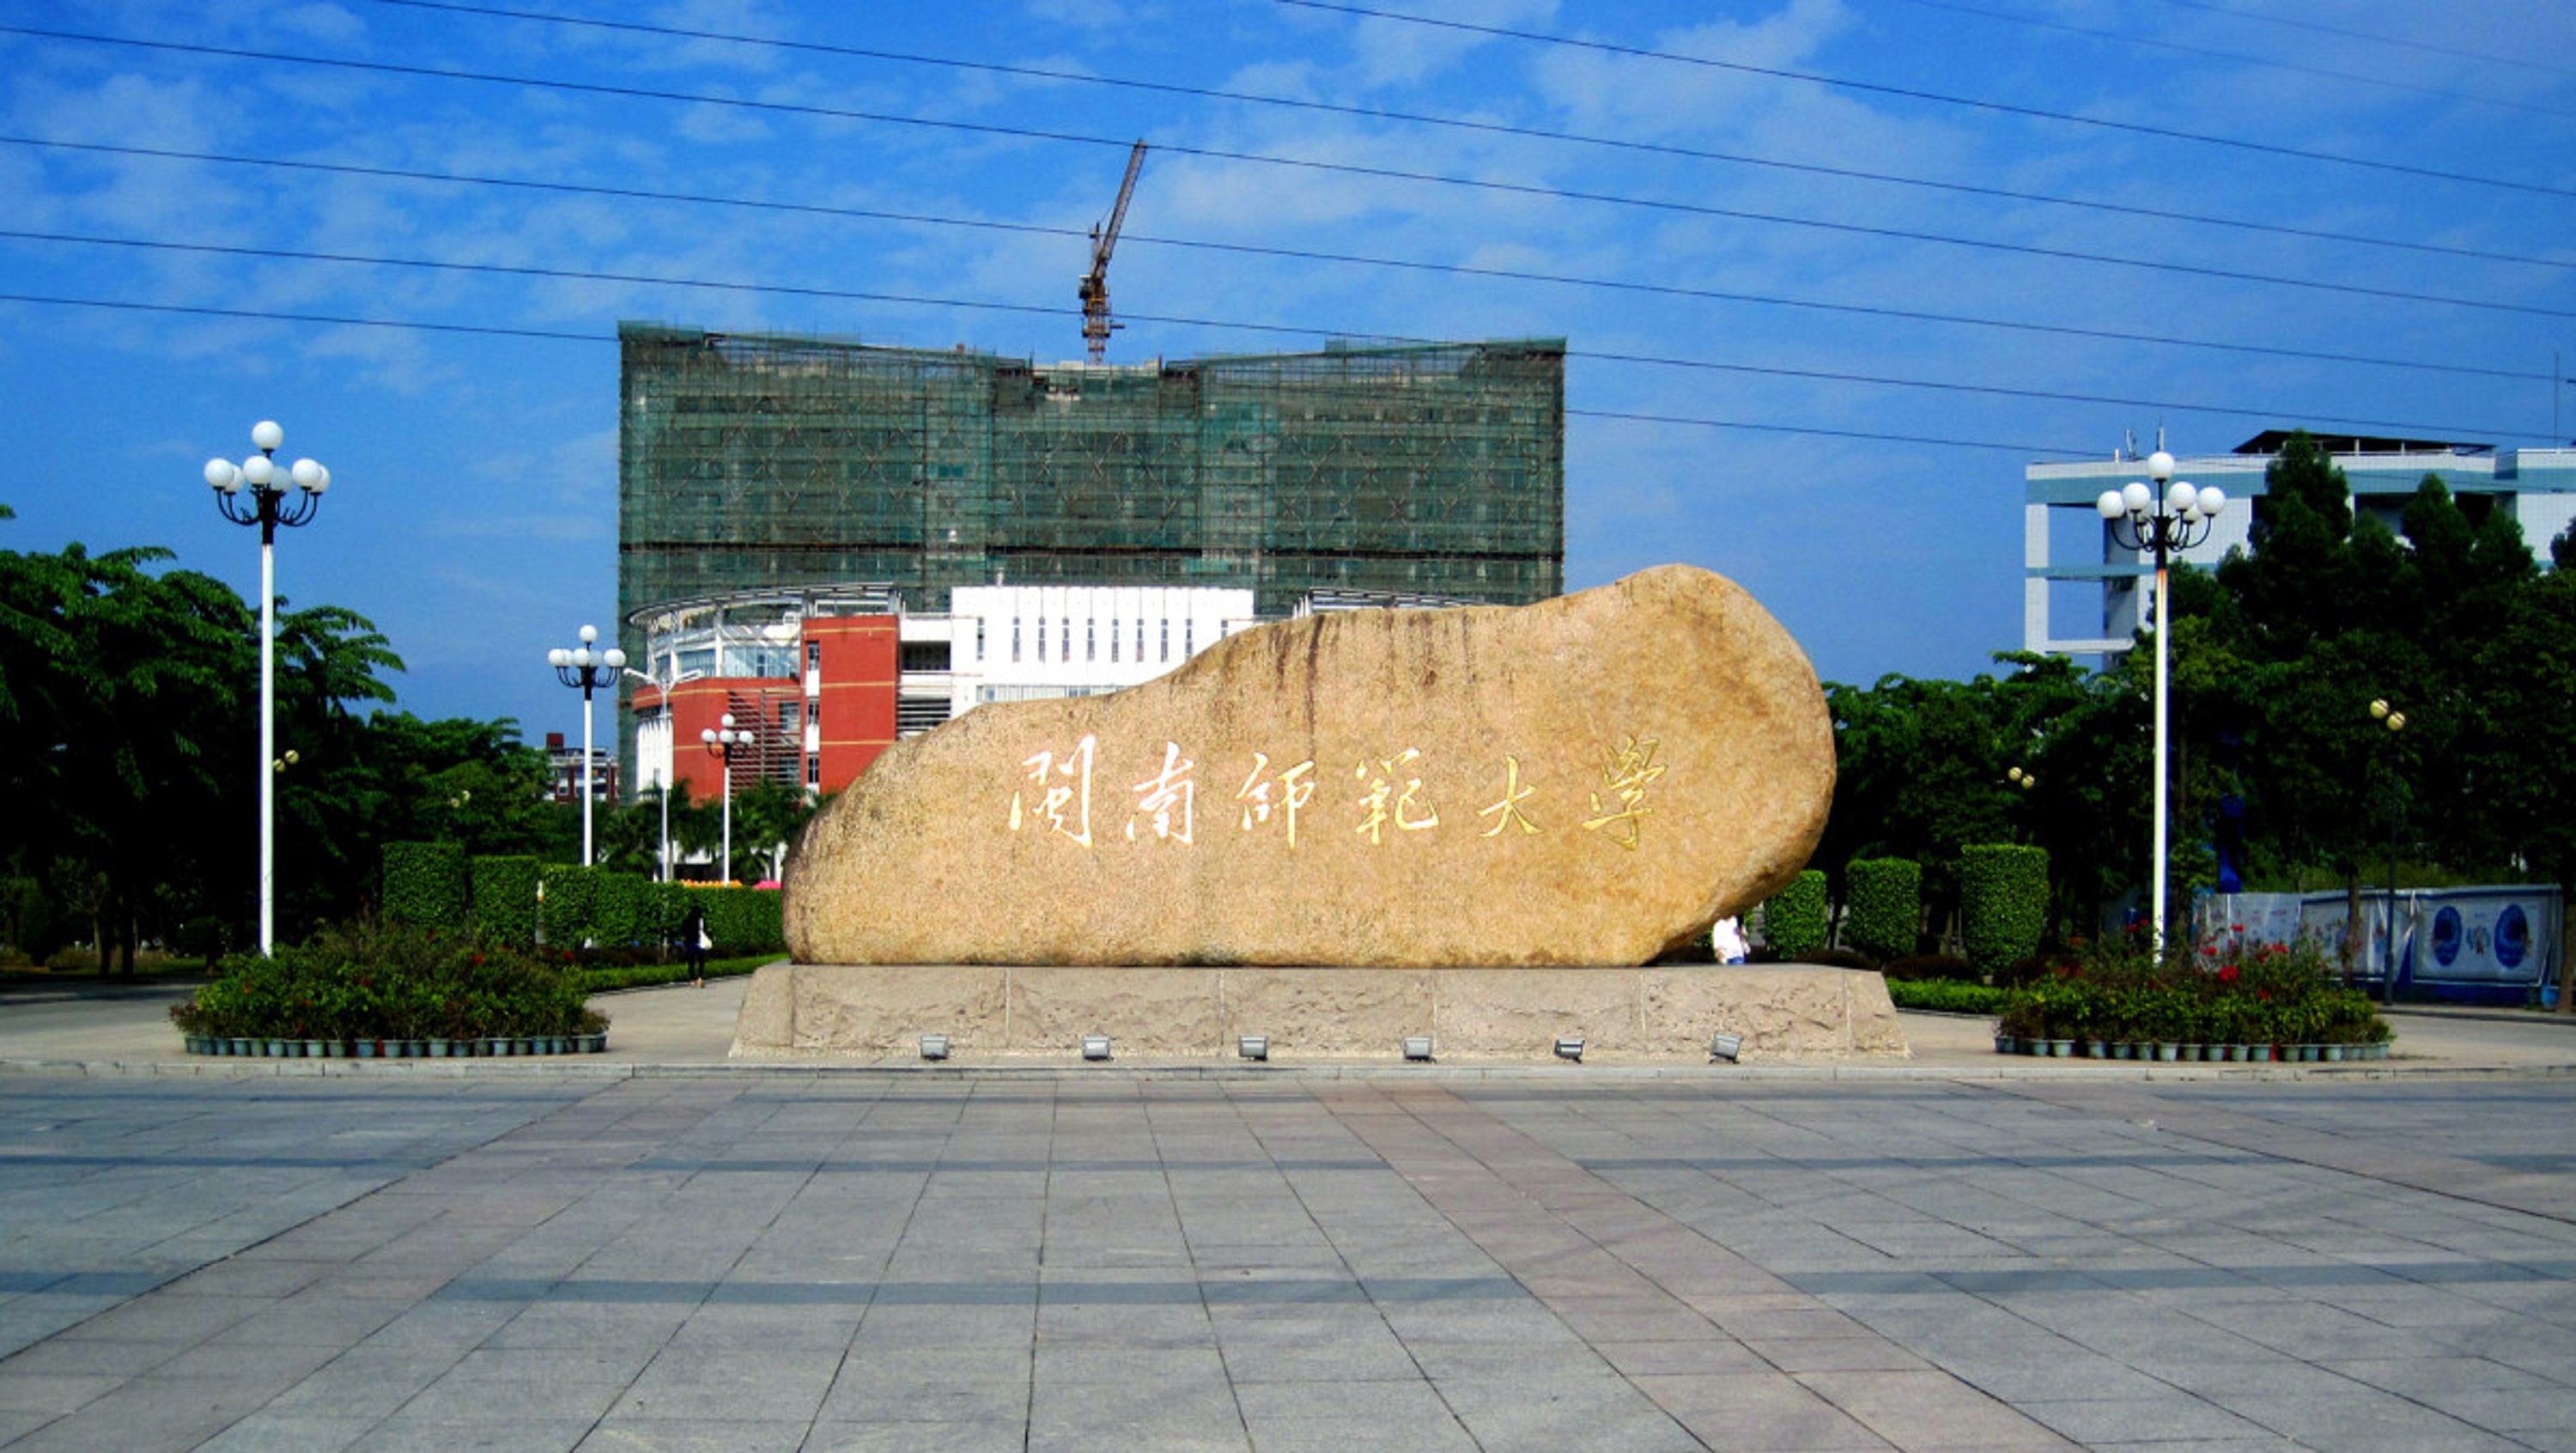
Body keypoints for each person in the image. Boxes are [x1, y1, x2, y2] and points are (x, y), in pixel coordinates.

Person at [680, 902, 709, 988]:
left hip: (690, 943)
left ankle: (692, 980)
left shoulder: (686, 921)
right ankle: (700, 978)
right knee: (701, 962)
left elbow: (683, 932)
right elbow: (705, 931)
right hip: (700, 943)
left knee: (691, 962)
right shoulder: (701, 921)